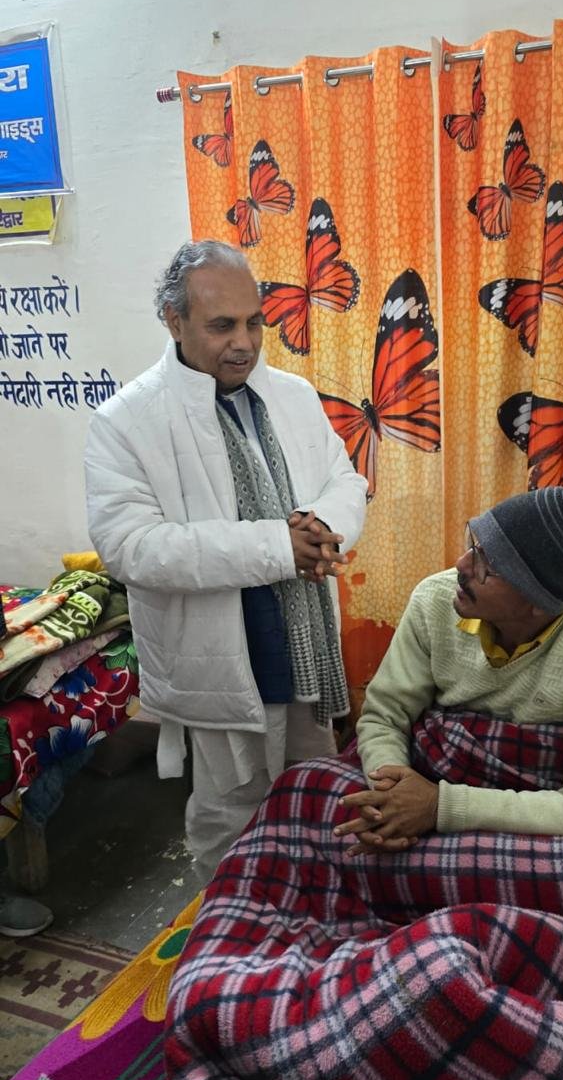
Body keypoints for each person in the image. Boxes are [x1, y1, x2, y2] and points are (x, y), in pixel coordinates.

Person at [85, 240, 367, 884]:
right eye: (221, 326)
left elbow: (345, 481)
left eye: (254, 322)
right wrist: (277, 547)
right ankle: (229, 923)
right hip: (218, 656)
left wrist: (322, 526)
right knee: (232, 815)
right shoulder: (126, 421)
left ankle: (308, 912)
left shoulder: (292, 396)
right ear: (174, 321)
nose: (244, 343)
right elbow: (131, 547)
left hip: (304, 644)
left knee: (314, 793)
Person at [335, 486, 563, 856]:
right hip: (428, 774)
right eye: (475, 542)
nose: (461, 564)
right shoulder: (434, 600)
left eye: (489, 564)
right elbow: (385, 716)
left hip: (531, 796)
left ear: (539, 602)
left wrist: (440, 807)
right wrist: (391, 798)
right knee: (303, 791)